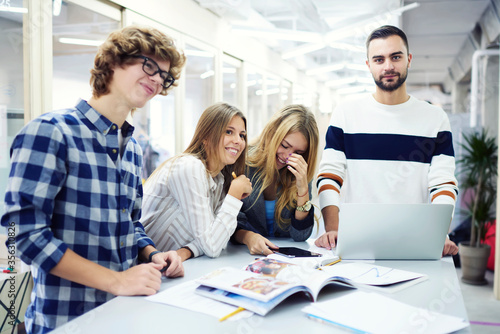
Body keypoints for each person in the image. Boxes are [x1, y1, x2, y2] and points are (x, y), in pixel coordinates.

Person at [1, 25, 186, 333]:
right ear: (113, 61)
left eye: (164, 76)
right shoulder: (51, 132)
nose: (157, 79)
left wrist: (153, 254)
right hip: (66, 321)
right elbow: (22, 234)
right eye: (149, 65)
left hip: (124, 313)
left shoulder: (133, 150)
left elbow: (130, 224)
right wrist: (117, 280)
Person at [315, 25, 459, 256]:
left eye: (396, 57)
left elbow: (443, 184)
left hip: (416, 242)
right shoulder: (346, 114)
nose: (388, 66)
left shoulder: (435, 118)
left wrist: (438, 232)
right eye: (379, 59)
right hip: (356, 243)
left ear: (409, 59)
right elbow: (330, 177)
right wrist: (333, 229)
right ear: (368, 65)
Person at [141, 102, 253, 261]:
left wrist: (185, 251)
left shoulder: (219, 179)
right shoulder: (190, 167)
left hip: (169, 266)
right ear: (205, 137)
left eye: (242, 135)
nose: (238, 141)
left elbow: (217, 238)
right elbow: (212, 246)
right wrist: (234, 196)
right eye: (229, 132)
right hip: (139, 265)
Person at [232, 105, 319, 255]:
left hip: (284, 258)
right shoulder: (242, 162)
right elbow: (230, 221)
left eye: (298, 152)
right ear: (272, 134)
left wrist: (303, 190)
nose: (287, 157)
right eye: (284, 145)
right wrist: (248, 237)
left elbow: (301, 236)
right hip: (242, 254)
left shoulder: (299, 170)